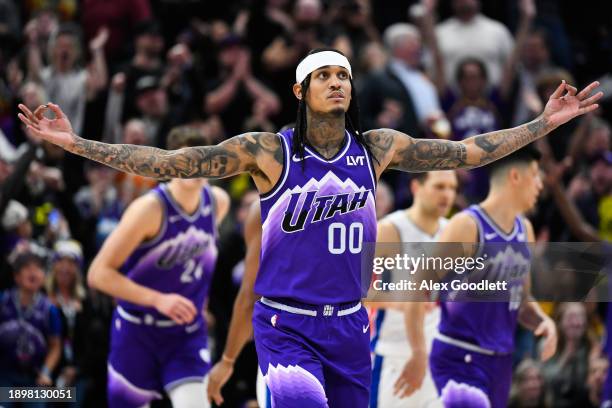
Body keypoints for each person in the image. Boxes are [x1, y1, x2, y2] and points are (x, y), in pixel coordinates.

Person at [18, 46, 601, 406]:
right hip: (286, 324)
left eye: (342, 75)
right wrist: (76, 145)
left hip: (350, 327)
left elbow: (470, 151)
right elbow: (171, 164)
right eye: (323, 75)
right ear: (300, 90)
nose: (337, 82)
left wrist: (542, 125)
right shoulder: (269, 152)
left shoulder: (377, 149)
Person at [86, 126, 229, 408]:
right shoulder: (148, 210)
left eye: (202, 159)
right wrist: (158, 299)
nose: (195, 167)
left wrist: (202, 301)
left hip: (186, 334)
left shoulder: (217, 203)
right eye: (186, 159)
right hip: (137, 331)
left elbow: (199, 265)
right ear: (168, 164)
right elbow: (98, 274)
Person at [429, 146, 558, 408]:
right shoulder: (467, 225)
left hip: (501, 361)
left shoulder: (526, 230)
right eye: (535, 174)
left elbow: (521, 300)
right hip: (460, 356)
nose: (540, 183)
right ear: (515, 177)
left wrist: (544, 321)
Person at [371, 170, 457, 408]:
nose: (447, 195)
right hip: (394, 355)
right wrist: (404, 301)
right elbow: (359, 294)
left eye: (452, 188)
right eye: (439, 186)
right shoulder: (390, 229)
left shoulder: (453, 231)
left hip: (439, 357)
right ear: (416, 187)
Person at [207, 199, 262, 406]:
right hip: (236, 325)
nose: (250, 211)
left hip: (271, 329)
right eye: (245, 206)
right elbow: (220, 295)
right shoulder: (227, 246)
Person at [0, 247, 62, 408]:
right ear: (16, 276)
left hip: (34, 378)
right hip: (4, 374)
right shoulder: (3, 301)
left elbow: (56, 346)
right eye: (28, 268)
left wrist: (46, 372)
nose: (33, 273)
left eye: (38, 269)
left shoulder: (50, 309)